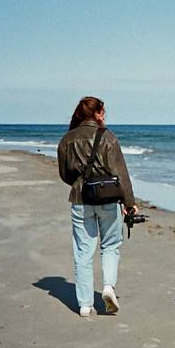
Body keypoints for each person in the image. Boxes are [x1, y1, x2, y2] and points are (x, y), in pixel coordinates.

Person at [57, 96, 137, 318]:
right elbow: (121, 174)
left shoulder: (67, 140)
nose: (105, 116)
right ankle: (108, 287)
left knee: (83, 251)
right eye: (103, 112)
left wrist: (81, 182)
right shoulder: (108, 137)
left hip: (80, 199)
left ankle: (84, 305)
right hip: (108, 199)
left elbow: (64, 174)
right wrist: (129, 203)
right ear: (97, 114)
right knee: (111, 245)